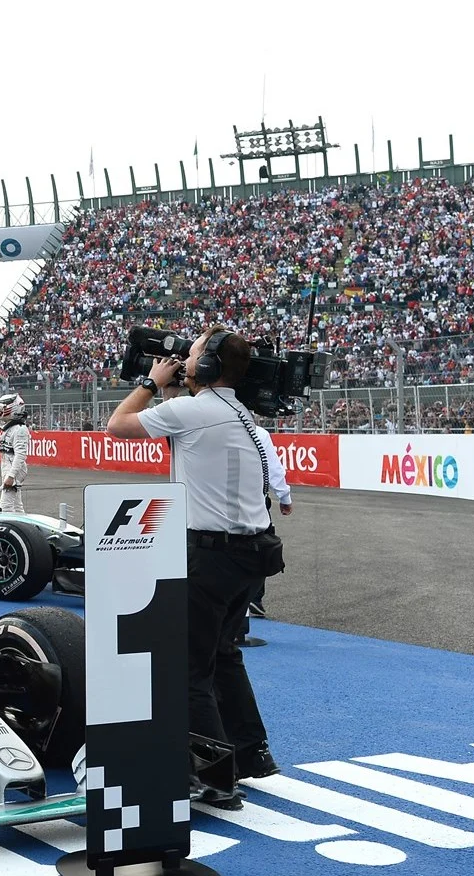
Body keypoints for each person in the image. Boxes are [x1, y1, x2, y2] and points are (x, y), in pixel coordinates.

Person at [107, 325, 284, 810]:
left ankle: (214, 780)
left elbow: (116, 426)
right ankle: (251, 753)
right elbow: (183, 441)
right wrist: (172, 389)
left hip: (211, 556)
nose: (184, 359)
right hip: (249, 555)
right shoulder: (238, 412)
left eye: (192, 355)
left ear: (207, 366)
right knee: (223, 655)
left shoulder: (195, 411)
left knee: (188, 668)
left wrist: (150, 382)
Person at [234, 423, 294, 648]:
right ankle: (254, 598)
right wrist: (285, 497)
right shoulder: (257, 433)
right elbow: (273, 468)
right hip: (254, 503)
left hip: (214, 506)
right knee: (261, 549)